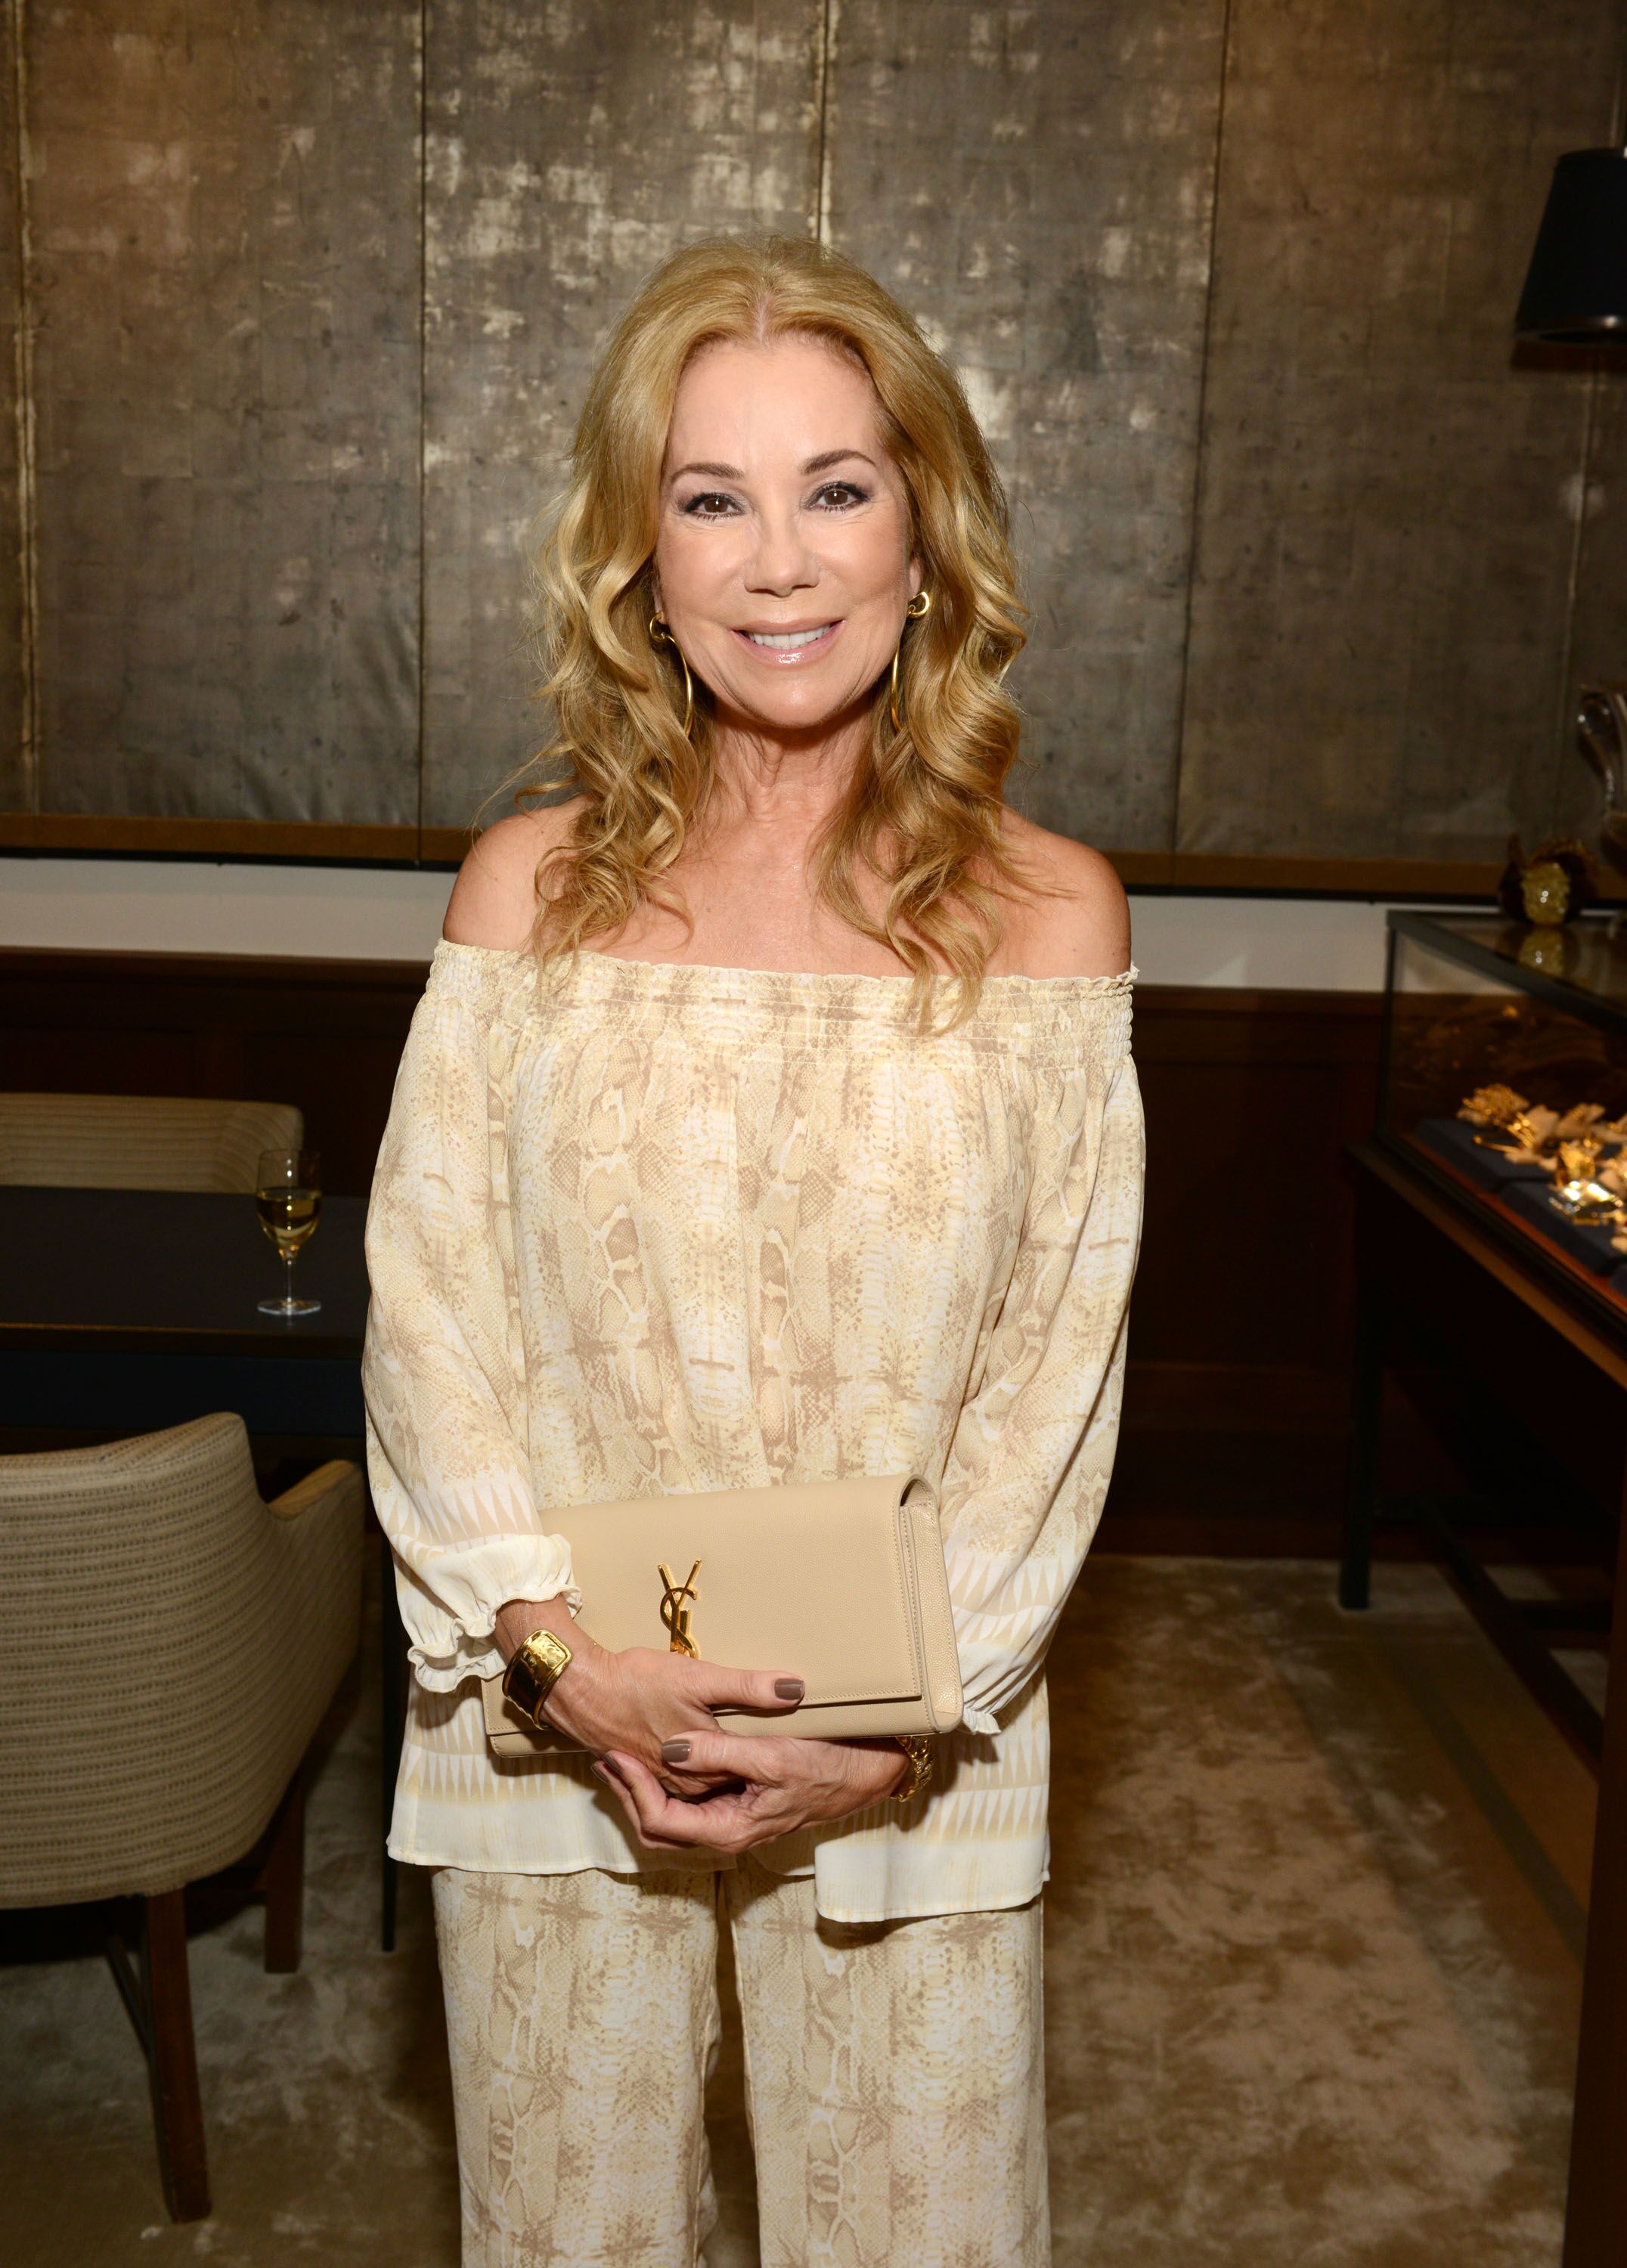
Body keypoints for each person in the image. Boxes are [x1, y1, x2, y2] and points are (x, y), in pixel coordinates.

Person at [363, 231, 1144, 2268]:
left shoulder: (1053, 913)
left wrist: (891, 1723)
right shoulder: (523, 890)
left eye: (837, 487)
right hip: (555, 1698)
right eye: (712, 497)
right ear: (640, 556)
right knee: (566, 2233)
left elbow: (1049, 1380)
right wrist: (553, 1654)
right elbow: (432, 1305)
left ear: (927, 532)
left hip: (912, 1733)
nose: (778, 562)